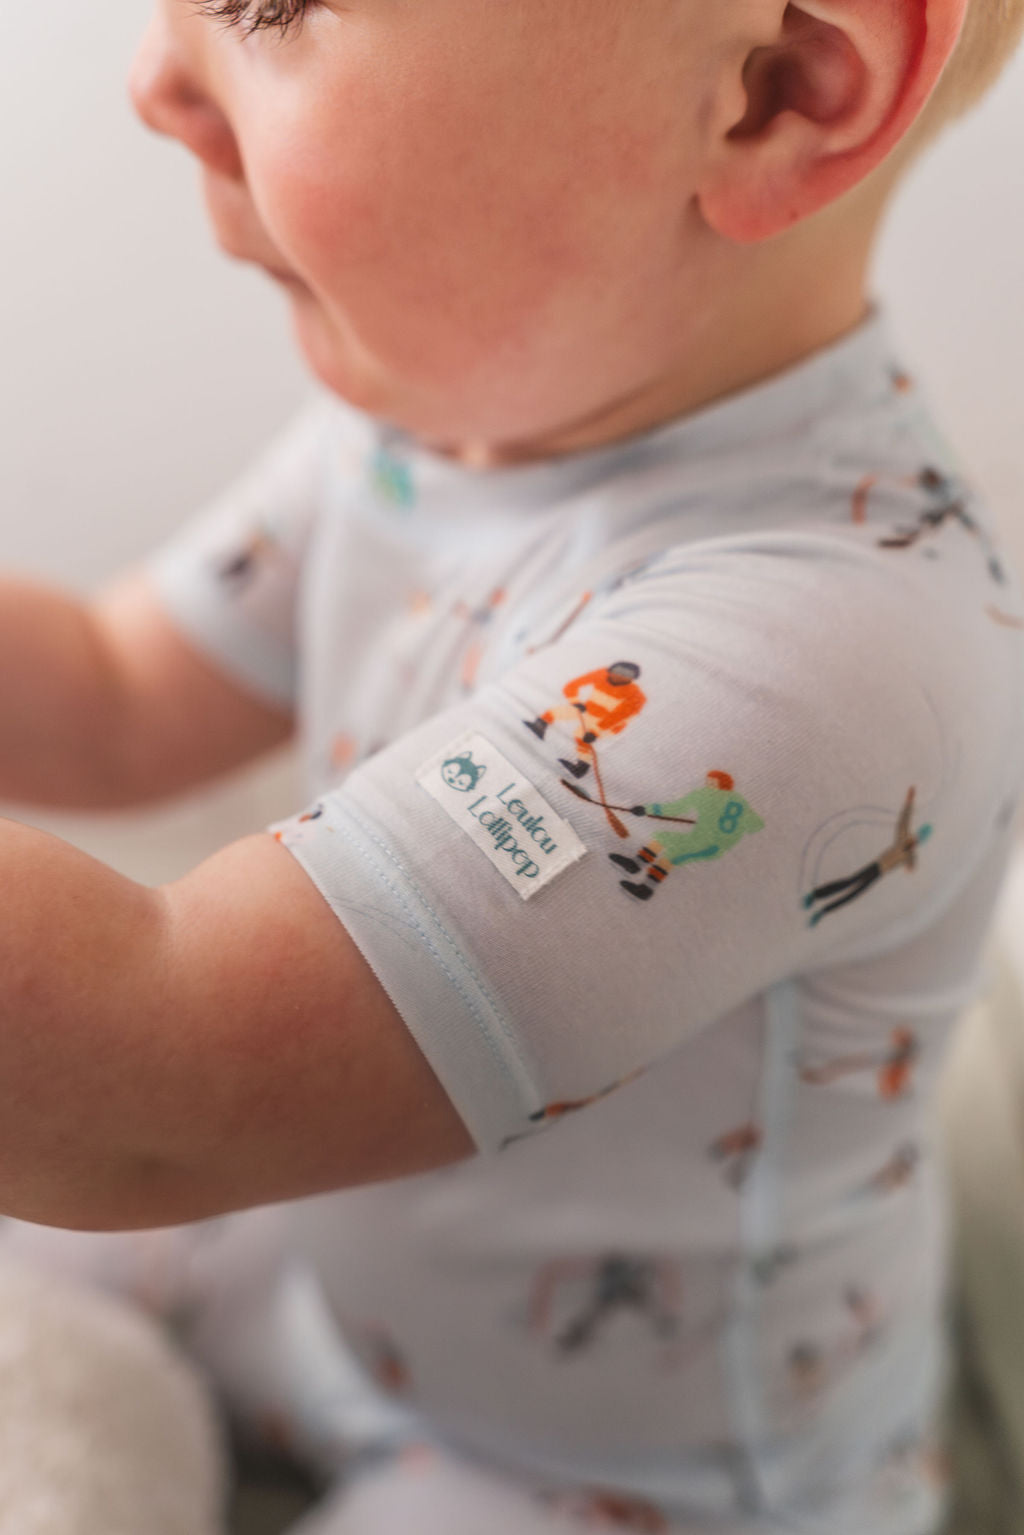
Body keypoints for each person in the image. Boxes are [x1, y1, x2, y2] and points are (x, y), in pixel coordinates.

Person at [1, 0, 1023, 1530]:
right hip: (334, 1279)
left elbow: (167, 1070)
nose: (156, 80)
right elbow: (114, 689)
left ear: (778, 88)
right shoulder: (438, 426)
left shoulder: (831, 646)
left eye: (271, 5)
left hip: (624, 1475)